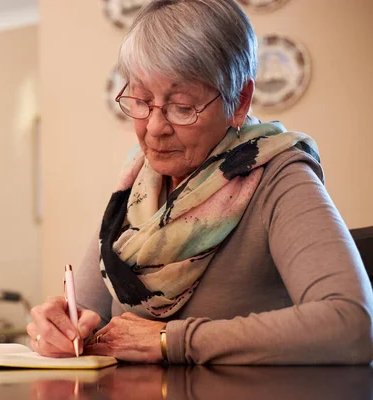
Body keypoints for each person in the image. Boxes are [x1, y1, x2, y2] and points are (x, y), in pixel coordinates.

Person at [27, 0, 373, 364]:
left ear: (239, 101)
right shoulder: (136, 187)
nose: (155, 128)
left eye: (181, 106)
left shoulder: (278, 175)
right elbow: (84, 314)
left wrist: (170, 340)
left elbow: (351, 323)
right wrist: (58, 330)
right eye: (142, 100)